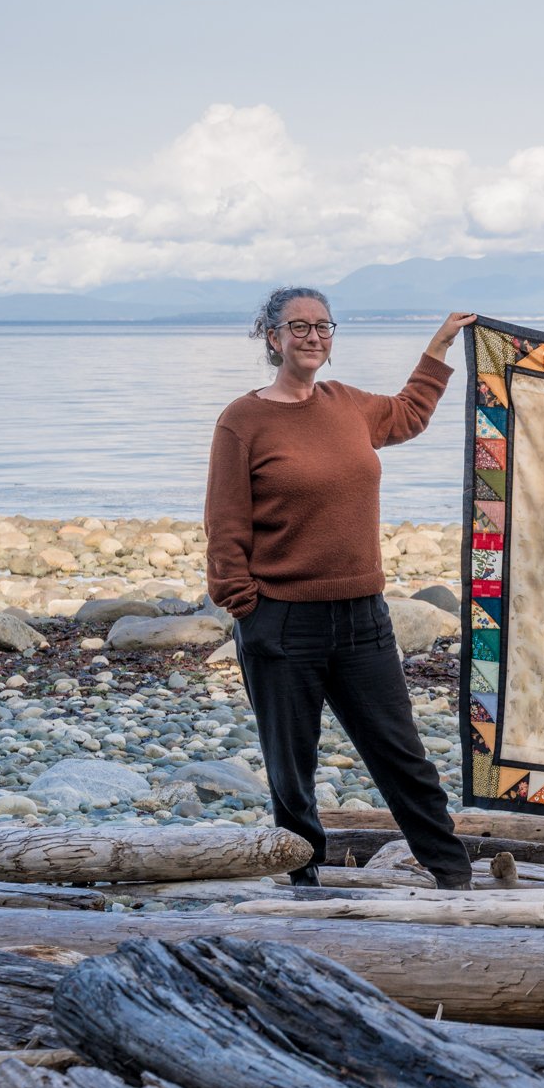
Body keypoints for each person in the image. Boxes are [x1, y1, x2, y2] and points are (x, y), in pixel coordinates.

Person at [205, 286, 478, 889]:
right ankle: (305, 887)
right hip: (281, 621)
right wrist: (244, 604)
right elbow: (225, 524)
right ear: (272, 337)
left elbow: (409, 413)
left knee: (401, 756)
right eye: (297, 326)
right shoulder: (242, 420)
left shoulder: (347, 404)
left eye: (323, 326)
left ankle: (455, 877)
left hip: (362, 618)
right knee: (291, 769)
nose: (312, 336)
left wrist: (438, 348)